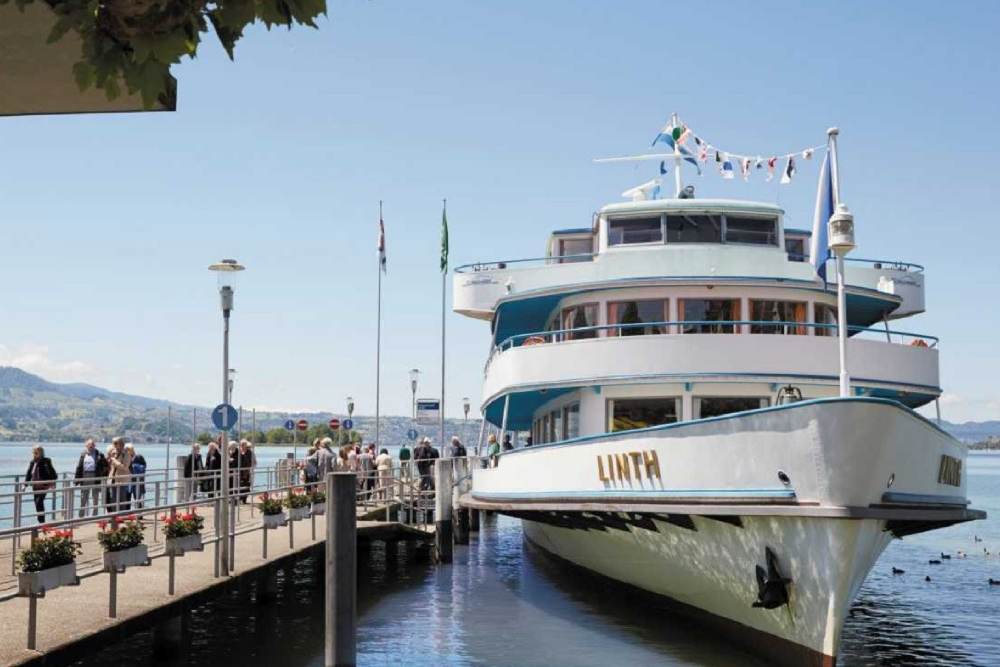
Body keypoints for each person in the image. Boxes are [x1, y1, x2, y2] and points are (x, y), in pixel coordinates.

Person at [74, 439, 107, 517]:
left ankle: (94, 516)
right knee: (83, 497)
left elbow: (105, 466)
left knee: (95, 497)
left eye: (92, 445)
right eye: (89, 445)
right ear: (86, 446)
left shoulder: (99, 454)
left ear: (94, 446)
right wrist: (77, 479)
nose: (91, 446)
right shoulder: (83, 454)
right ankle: (81, 516)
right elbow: (79, 466)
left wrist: (102, 475)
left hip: (95, 477)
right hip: (85, 477)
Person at [23, 446, 57, 524]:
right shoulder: (32, 462)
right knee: (37, 503)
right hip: (35, 486)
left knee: (39, 501)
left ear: (41, 453)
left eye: (36, 453)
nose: (34, 454)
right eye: (33, 453)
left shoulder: (46, 461)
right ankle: (41, 521)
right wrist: (25, 485)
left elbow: (53, 474)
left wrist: (51, 483)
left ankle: (42, 522)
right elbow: (29, 473)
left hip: (44, 486)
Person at [106, 436, 133, 513]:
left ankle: (121, 517)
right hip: (113, 479)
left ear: (120, 444)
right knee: (113, 499)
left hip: (122, 480)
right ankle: (114, 517)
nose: (113, 445)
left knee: (122, 499)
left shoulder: (126, 454)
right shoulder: (112, 453)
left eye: (115, 443)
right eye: (112, 443)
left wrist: (114, 461)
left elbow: (124, 467)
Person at [127, 444, 147, 509]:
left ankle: (139, 515)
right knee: (127, 498)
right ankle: (127, 514)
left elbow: (143, 468)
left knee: (137, 498)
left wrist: (135, 466)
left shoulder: (139, 457)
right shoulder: (126, 458)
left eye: (128, 450)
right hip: (128, 481)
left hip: (137, 481)